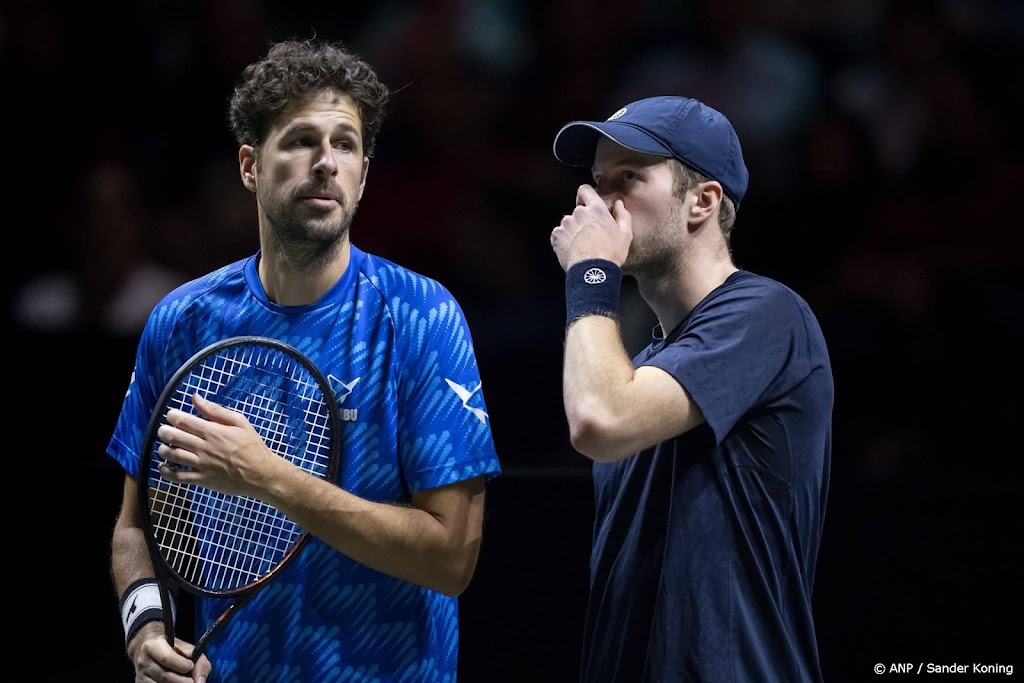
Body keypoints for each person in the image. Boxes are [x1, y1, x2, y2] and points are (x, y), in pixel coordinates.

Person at [108, 38, 502, 683]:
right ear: (248, 165)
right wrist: (144, 625)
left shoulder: (422, 317)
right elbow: (140, 524)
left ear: (365, 174)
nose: (325, 164)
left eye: (344, 145)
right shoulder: (183, 320)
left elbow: (451, 558)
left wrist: (271, 479)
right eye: (299, 141)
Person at [548, 96, 833, 681]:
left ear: (703, 201)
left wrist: (590, 273)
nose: (598, 202)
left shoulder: (768, 314)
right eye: (598, 182)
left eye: (629, 178)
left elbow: (600, 419)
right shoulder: (642, 363)